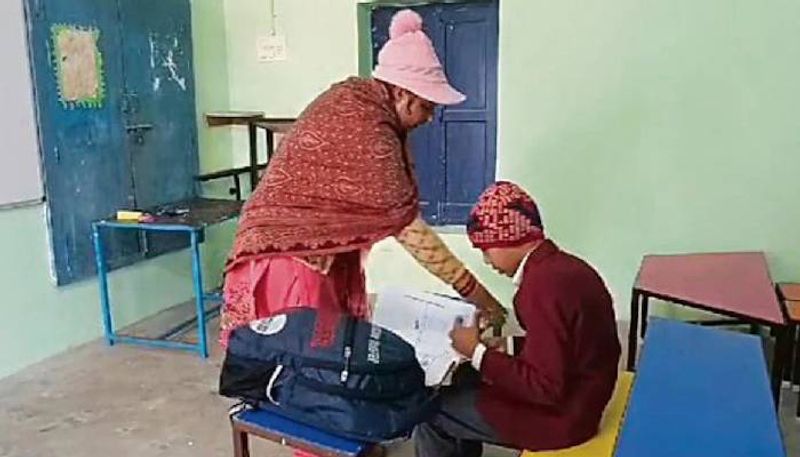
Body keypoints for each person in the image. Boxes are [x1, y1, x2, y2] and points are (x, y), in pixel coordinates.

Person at [414, 181, 621, 457]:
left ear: (508, 240)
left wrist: (476, 352)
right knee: (463, 380)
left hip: (564, 419)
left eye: (486, 250)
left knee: (428, 410)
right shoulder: (564, 268)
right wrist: (506, 347)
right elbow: (565, 345)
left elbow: (544, 387)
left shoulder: (541, 288)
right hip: (585, 397)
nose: (487, 261)